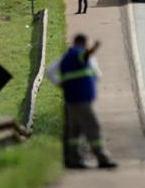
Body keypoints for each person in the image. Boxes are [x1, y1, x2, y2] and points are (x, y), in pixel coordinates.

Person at [48, 34, 115, 170]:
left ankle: (74, 159)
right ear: (82, 43)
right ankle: (102, 158)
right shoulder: (78, 54)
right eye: (87, 45)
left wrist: (60, 84)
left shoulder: (67, 57)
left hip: (73, 99)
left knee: (75, 132)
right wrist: (94, 48)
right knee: (93, 127)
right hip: (80, 100)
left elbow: (49, 71)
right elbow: (85, 56)